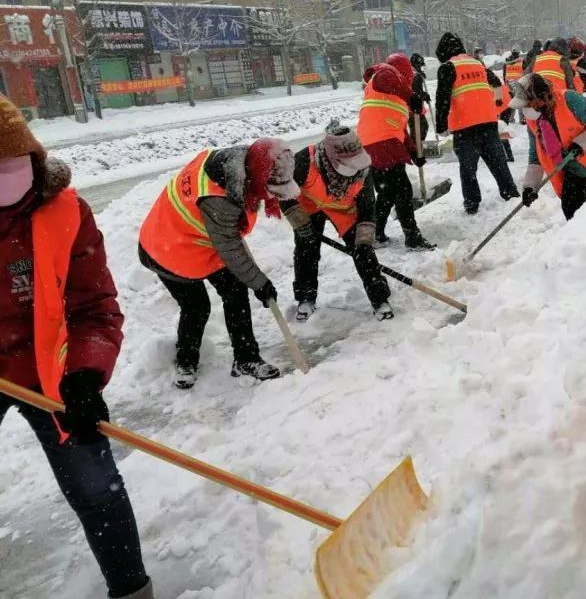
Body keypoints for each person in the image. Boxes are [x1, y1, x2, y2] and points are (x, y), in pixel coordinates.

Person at [0, 97, 152, 599]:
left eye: (12, 164)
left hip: (53, 375)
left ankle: (131, 591)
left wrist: (85, 373)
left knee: (96, 488)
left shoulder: (64, 212)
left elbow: (94, 305)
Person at [139, 138, 302, 389]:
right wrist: (259, 282)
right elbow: (230, 249)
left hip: (203, 240)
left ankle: (245, 359)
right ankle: (185, 362)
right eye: (270, 188)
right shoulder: (219, 199)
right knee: (196, 306)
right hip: (167, 248)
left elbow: (228, 240)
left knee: (235, 292)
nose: (271, 195)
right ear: (256, 176)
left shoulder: (234, 167)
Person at [283, 122, 393, 323]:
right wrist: (300, 222)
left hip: (343, 209)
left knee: (363, 251)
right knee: (306, 248)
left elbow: (367, 210)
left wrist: (363, 240)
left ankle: (379, 298)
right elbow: (284, 193)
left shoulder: (362, 171)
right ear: (331, 160)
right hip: (309, 204)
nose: (354, 170)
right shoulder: (303, 162)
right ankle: (305, 298)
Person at [509, 74, 586, 221]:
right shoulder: (534, 120)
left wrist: (581, 143)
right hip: (575, 167)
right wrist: (530, 187)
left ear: (541, 96)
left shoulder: (569, 100)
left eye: (527, 103)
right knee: (571, 210)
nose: (525, 109)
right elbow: (535, 154)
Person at [434, 32, 519, 215]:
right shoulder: (477, 63)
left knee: (468, 169)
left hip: (465, 128)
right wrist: (496, 105)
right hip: (488, 123)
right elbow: (496, 83)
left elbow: (442, 99)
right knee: (498, 163)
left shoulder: (448, 67)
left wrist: (440, 126)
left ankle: (472, 203)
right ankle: (510, 194)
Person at [358, 62, 436, 249]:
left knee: (387, 192)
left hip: (373, 144)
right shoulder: (385, 73)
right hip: (383, 143)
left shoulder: (386, 96)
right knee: (403, 191)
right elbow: (391, 81)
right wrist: (412, 97)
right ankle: (412, 238)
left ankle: (376, 234)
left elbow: (401, 131)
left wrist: (414, 153)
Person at [409, 53, 432, 142]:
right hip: (414, 108)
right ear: (417, 64)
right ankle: (416, 149)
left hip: (411, 108)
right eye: (421, 66)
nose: (422, 67)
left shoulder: (411, 72)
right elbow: (414, 91)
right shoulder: (415, 75)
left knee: (417, 129)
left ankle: (417, 147)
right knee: (420, 129)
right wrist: (423, 95)